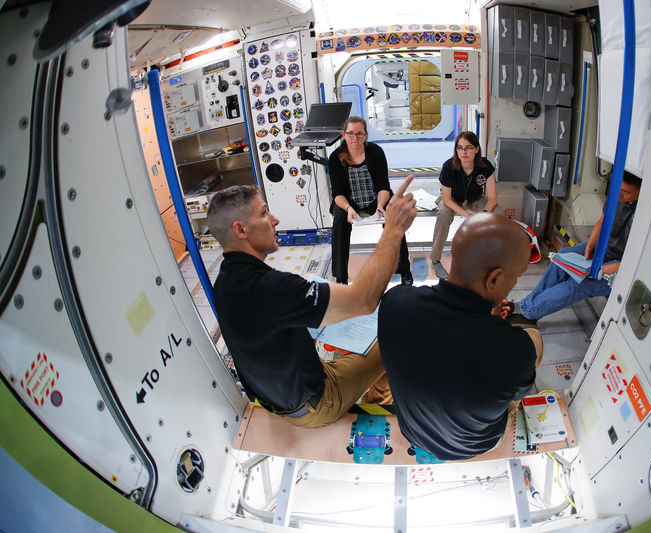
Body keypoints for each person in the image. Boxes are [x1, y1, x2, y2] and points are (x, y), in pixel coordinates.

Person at [207, 178, 417, 429]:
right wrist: (393, 228)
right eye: (264, 213)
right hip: (315, 406)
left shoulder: (225, 279)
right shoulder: (271, 288)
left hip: (277, 397)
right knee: (397, 331)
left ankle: (374, 393)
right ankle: (381, 403)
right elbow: (364, 300)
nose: (275, 220)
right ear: (240, 230)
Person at [378, 213, 544, 461]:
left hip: (414, 432)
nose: (515, 282)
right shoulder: (516, 351)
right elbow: (508, 382)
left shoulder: (395, 303)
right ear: (494, 278)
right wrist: (495, 328)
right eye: (517, 275)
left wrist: (487, 320)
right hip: (471, 446)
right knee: (535, 338)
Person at [516, 171, 642, 322]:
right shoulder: (617, 196)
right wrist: (589, 246)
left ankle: (526, 309)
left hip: (624, 267)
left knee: (577, 284)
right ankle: (531, 308)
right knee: (561, 258)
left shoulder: (645, 214)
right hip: (605, 250)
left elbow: (638, 262)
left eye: (626, 192)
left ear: (642, 191)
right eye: (618, 189)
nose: (620, 196)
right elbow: (602, 221)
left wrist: (599, 270)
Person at [328, 116, 413, 285]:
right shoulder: (335, 158)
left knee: (394, 213)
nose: (355, 138)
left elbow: (383, 186)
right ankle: (341, 277)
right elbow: (337, 193)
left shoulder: (376, 152)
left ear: (366, 135)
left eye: (360, 134)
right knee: (339, 220)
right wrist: (347, 209)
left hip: (376, 199)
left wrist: (381, 205)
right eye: (351, 133)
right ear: (343, 135)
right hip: (349, 203)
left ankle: (403, 269)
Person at [430, 131, 505, 280]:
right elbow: (446, 200)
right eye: (460, 148)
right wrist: (469, 217)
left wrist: (483, 214)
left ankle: (491, 258)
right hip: (452, 200)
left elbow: (492, 198)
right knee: (444, 215)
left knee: (499, 213)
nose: (464, 152)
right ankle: (435, 259)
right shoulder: (448, 167)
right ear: (456, 150)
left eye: (469, 147)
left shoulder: (485, 166)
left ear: (477, 149)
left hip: (474, 199)